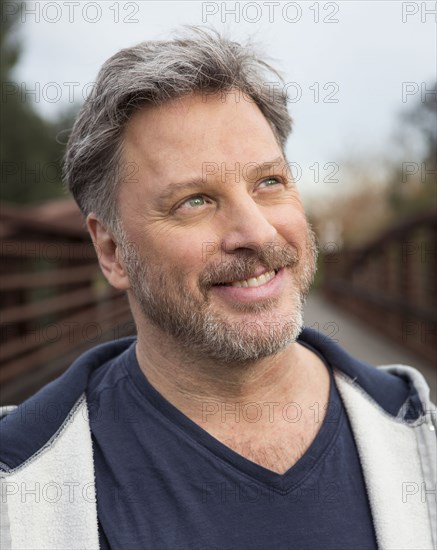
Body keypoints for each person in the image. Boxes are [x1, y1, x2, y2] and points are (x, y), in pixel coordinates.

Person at [0, 27, 435, 550]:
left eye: (268, 182)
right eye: (195, 201)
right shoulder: (19, 482)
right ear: (112, 252)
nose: (257, 232)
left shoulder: (422, 437)